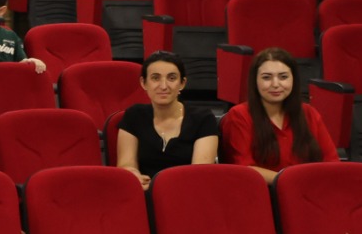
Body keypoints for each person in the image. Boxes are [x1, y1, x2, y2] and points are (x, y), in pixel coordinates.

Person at [221, 48, 334, 182]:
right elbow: (244, 168)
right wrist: (292, 181)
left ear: (294, 79)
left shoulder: (309, 113)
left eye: (283, 77)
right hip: (262, 193)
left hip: (309, 191)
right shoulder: (239, 115)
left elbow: (331, 162)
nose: (275, 84)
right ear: (255, 81)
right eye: (266, 77)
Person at [116, 51, 220, 186]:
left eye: (171, 78)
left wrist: (162, 188)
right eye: (155, 78)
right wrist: (133, 174)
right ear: (144, 83)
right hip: (144, 193)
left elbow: (199, 173)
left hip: (187, 192)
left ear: (182, 83)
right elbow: (126, 164)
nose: (163, 86)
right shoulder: (134, 115)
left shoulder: (203, 118)